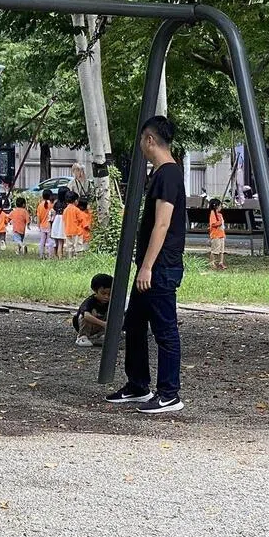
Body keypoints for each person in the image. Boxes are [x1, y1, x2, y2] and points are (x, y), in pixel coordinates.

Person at [106, 115, 187, 415]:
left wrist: (147, 266)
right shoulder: (162, 173)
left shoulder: (168, 174)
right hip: (153, 266)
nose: (140, 146)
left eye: (142, 140)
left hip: (160, 267)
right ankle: (139, 384)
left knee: (165, 330)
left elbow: (162, 224)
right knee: (136, 323)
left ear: (150, 140)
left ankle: (169, 394)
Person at [73, 273, 112, 347]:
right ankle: (82, 336)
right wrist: (103, 324)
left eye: (109, 294)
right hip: (85, 325)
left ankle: (102, 335)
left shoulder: (111, 302)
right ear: (95, 290)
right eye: (103, 293)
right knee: (87, 315)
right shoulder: (90, 301)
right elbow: (86, 315)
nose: (106, 297)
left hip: (101, 326)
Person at [208, 198, 227, 270]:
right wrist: (220, 222)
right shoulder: (213, 213)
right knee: (215, 250)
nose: (221, 207)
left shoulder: (220, 215)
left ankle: (221, 262)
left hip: (221, 234)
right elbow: (213, 224)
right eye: (220, 206)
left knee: (222, 250)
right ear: (216, 206)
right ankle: (212, 263)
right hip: (216, 235)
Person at [50, 192, 69, 259]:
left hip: (56, 222)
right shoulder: (66, 205)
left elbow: (53, 214)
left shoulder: (56, 203)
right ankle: (60, 256)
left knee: (57, 241)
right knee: (61, 242)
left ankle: (55, 255)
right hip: (62, 223)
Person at [36, 188, 54, 258]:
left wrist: (38, 225)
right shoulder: (51, 204)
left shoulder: (40, 205)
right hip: (50, 226)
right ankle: (50, 255)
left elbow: (38, 216)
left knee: (42, 241)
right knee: (50, 241)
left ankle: (41, 255)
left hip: (42, 226)